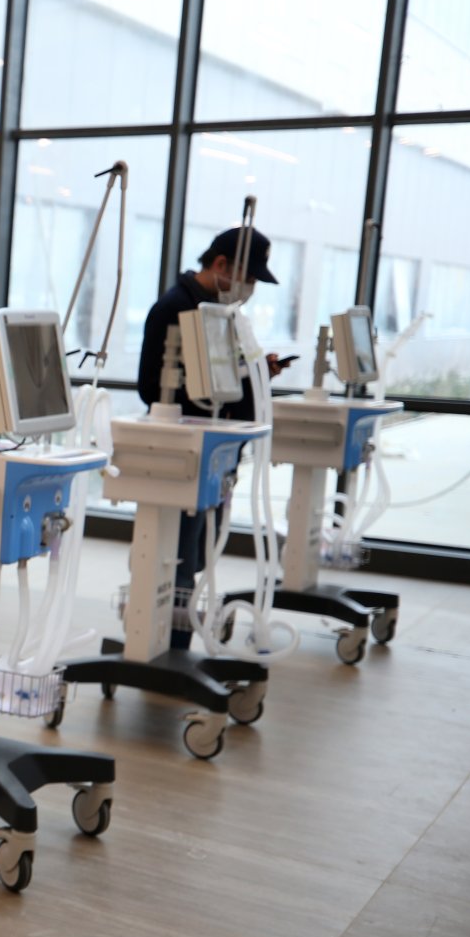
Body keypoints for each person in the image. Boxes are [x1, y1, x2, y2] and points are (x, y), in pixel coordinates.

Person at [137, 227, 287, 649]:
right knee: (179, 554)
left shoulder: (218, 311)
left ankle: (175, 636)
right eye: (249, 278)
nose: (250, 289)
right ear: (221, 265)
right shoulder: (176, 309)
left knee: (198, 548)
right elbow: (153, 387)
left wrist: (254, 371)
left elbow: (224, 373)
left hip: (216, 454)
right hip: (186, 455)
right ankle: (170, 644)